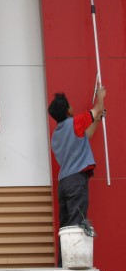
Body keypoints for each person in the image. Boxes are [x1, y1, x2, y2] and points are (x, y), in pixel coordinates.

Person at [47, 86, 106, 229]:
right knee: (77, 225)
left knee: (66, 227)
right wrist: (101, 97)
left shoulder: (56, 136)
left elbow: (86, 136)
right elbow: (98, 109)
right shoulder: (74, 123)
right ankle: (75, 253)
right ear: (68, 111)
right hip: (76, 181)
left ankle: (65, 252)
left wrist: (97, 120)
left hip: (64, 183)